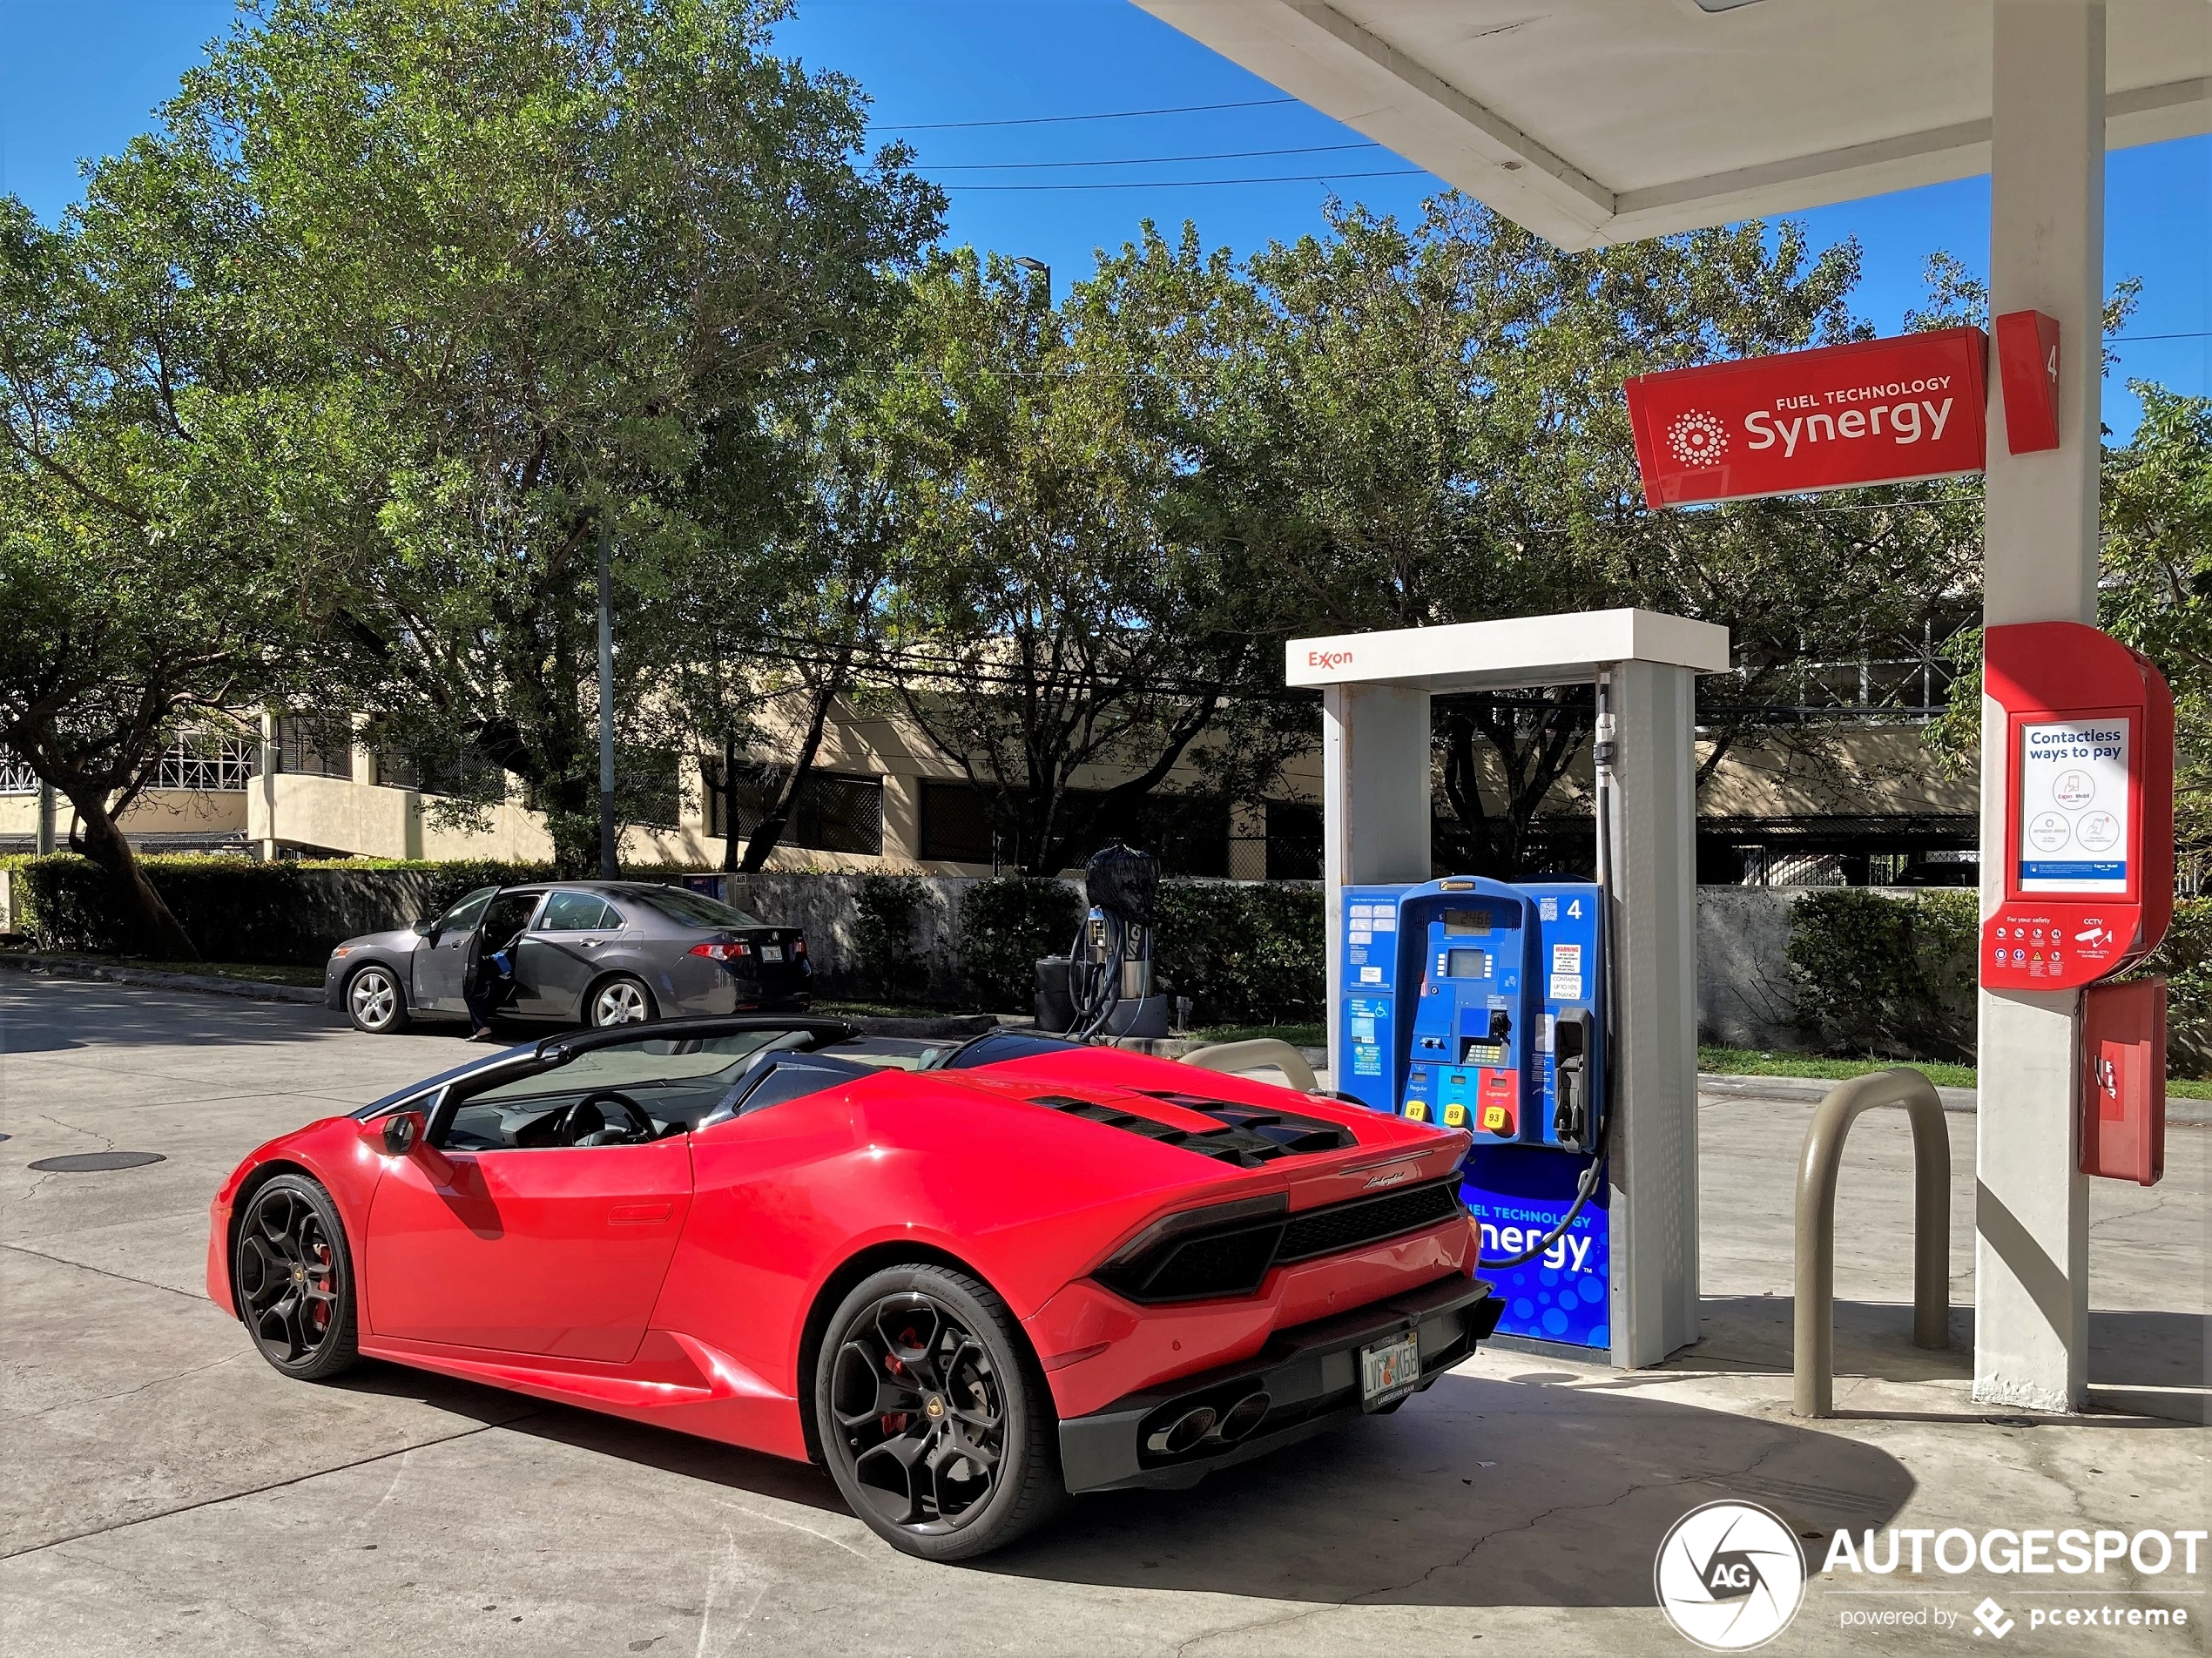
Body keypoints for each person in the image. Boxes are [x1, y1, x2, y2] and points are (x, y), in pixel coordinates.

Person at [462, 895, 521, 1041]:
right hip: (511, 976)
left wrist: (484, 959)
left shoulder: (521, 934)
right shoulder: (523, 933)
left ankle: (483, 1029)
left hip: (502, 974)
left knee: (475, 993)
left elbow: (502, 956)